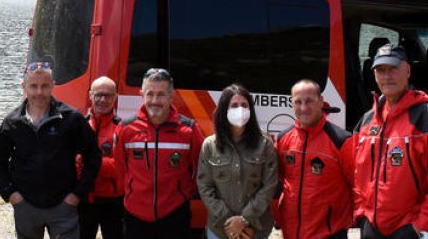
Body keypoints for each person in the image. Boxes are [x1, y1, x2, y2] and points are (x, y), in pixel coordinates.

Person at [352, 44, 428, 239]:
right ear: (374, 75)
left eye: (393, 68)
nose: (387, 76)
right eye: (381, 70)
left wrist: (419, 227)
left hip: (410, 230)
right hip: (371, 229)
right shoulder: (367, 120)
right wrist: (361, 216)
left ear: (408, 70)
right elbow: (357, 176)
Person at [0, 61, 102, 239]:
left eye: (44, 86)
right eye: (33, 86)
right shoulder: (12, 122)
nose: (39, 92)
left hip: (63, 205)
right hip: (25, 205)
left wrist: (77, 195)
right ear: (24, 87)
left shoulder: (71, 118)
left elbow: (93, 157)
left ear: (53, 85)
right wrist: (11, 194)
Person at [115, 68, 204, 239]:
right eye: (150, 94)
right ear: (142, 94)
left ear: (171, 96)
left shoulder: (189, 130)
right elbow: (121, 169)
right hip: (135, 215)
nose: (155, 101)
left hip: (175, 215)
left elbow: (200, 170)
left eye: (161, 94)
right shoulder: (126, 129)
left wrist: (182, 192)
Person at [274, 79, 354, 239]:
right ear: (291, 104)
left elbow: (357, 188)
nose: (304, 108)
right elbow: (277, 183)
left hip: (330, 234)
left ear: (321, 101)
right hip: (292, 233)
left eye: (309, 101)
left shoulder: (341, 141)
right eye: (298, 102)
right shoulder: (283, 139)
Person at [197, 84, 277, 239]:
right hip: (220, 230)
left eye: (244, 105)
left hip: (256, 230)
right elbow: (205, 187)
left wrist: (245, 219)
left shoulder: (264, 144)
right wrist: (230, 222)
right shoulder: (209, 146)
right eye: (234, 105)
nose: (240, 110)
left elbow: (269, 185)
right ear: (224, 110)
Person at [79, 76, 125, 239]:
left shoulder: (123, 128)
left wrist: (89, 163)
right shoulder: (79, 126)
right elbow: (70, 164)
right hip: (83, 200)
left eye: (108, 95)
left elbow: (121, 168)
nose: (103, 100)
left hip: (113, 201)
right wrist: (105, 164)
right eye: (98, 95)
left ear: (115, 97)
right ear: (90, 95)